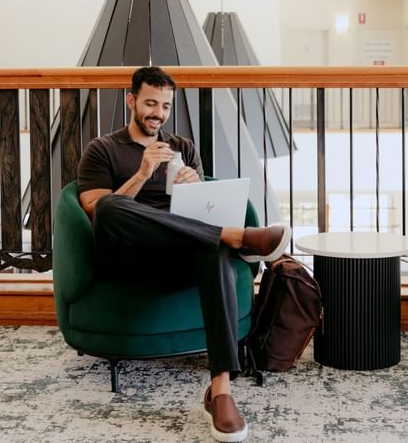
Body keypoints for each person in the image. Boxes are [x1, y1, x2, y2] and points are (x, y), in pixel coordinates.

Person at [77, 66, 287, 442]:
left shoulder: (183, 147)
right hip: (127, 255)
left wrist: (194, 187)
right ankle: (234, 237)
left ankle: (221, 391)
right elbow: (96, 214)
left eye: (166, 106)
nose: (158, 112)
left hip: (178, 250)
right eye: (151, 103)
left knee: (215, 254)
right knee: (112, 207)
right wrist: (142, 174)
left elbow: (202, 208)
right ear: (131, 101)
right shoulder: (103, 149)